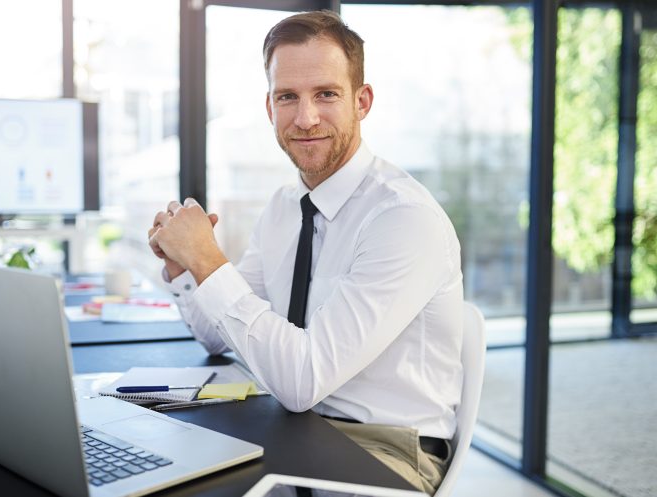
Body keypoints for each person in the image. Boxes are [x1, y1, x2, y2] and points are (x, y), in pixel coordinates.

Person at [147, 10, 463, 495]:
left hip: (385, 451)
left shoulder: (402, 219)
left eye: (326, 95)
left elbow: (301, 382)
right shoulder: (283, 206)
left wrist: (210, 260)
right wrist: (187, 267)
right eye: (287, 97)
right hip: (293, 428)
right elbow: (215, 337)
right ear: (270, 108)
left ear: (363, 101)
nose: (305, 117)